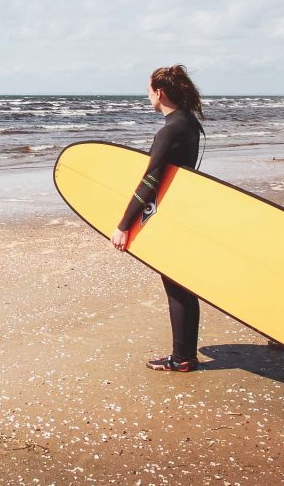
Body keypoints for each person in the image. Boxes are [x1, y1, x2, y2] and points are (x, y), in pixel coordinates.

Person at [110, 65, 205, 372]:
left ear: (159, 92)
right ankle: (185, 354)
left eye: (149, 90)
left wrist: (123, 226)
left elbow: (150, 181)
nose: (148, 95)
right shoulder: (189, 123)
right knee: (182, 283)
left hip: (168, 215)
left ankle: (181, 358)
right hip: (183, 209)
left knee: (175, 284)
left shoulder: (169, 129)